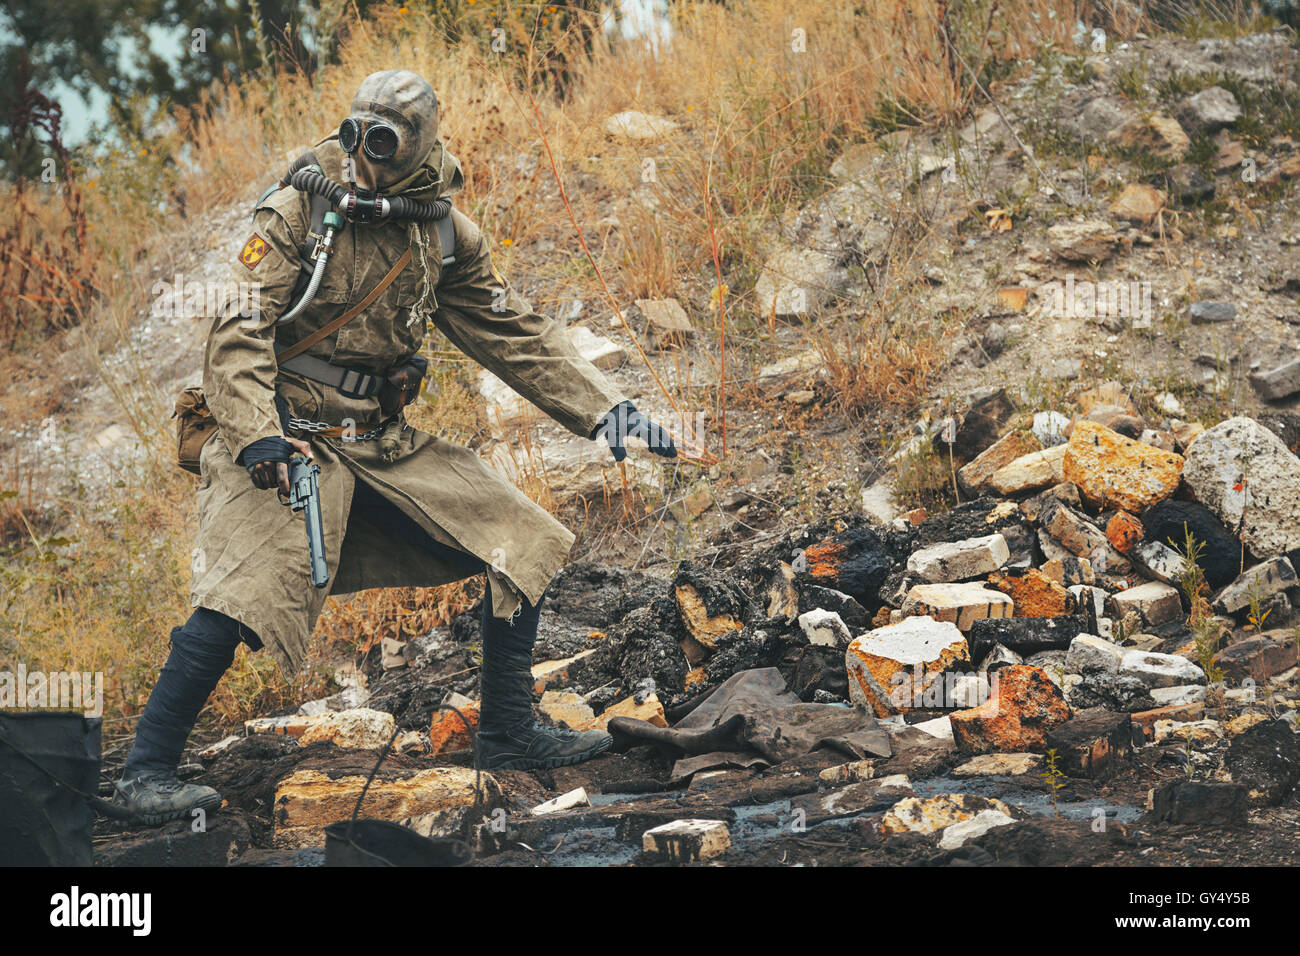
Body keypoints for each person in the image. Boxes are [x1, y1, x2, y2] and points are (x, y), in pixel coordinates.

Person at [112, 69, 678, 826]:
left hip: (380, 443)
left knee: (525, 540)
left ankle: (508, 731)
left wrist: (608, 413)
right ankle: (143, 772)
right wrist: (256, 437)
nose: (365, 159)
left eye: (385, 142)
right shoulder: (298, 213)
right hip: (288, 438)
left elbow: (512, 332)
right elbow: (236, 331)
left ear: (423, 146)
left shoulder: (442, 230)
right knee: (242, 595)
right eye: (356, 137)